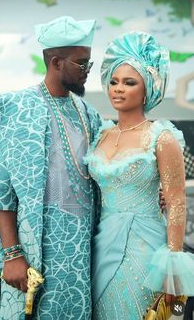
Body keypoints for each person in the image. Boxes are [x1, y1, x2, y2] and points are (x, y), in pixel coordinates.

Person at [0, 16, 103, 319]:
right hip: (36, 249)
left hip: (82, 249)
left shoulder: (87, 112)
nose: (87, 72)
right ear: (56, 62)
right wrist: (12, 254)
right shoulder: (22, 109)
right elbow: (1, 191)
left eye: (89, 64)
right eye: (82, 64)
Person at [84, 31, 194, 319]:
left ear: (147, 89)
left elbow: (177, 202)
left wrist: (171, 269)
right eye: (114, 81)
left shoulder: (162, 137)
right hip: (101, 242)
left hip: (145, 248)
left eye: (129, 82)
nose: (118, 89)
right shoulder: (100, 134)